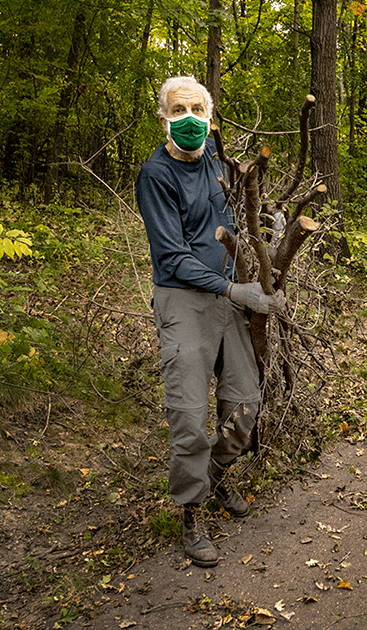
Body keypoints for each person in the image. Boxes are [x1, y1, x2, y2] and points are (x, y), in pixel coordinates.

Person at [135, 76, 285, 568]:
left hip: (226, 294)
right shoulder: (155, 174)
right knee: (188, 415)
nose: (190, 119)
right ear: (164, 117)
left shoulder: (221, 164)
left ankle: (217, 471)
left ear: (211, 112)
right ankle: (190, 511)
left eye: (198, 109)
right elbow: (171, 256)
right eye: (179, 110)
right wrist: (233, 289)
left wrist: (269, 225)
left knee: (245, 402)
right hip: (183, 300)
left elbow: (237, 220)